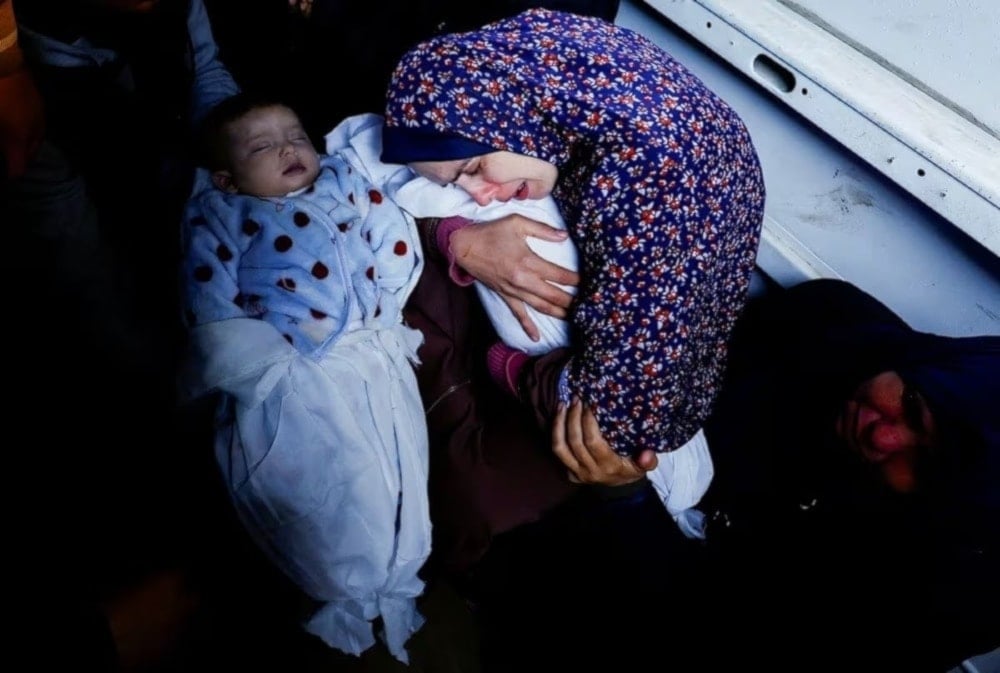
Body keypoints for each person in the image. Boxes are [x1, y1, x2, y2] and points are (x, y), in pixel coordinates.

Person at [504, 278, 1000, 671]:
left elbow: (723, 638)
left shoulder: (950, 594)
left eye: (927, 464)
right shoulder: (826, 324)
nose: (883, 438)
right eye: (912, 406)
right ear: (936, 363)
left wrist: (627, 499)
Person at [381, 8, 766, 460]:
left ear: (503, 116)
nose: (481, 197)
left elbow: (622, 419)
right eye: (456, 185)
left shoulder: (643, 176)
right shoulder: (565, 65)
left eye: (473, 168)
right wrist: (451, 233)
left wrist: (523, 373)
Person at [181, 94, 429, 662]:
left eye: (295, 134)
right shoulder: (224, 213)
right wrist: (255, 364)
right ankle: (338, 583)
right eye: (262, 146)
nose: (288, 148)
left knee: (395, 463)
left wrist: (390, 305)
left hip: (370, 350)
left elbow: (388, 229)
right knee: (324, 476)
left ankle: (398, 569)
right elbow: (209, 296)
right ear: (227, 177)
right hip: (293, 371)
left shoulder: (342, 180)